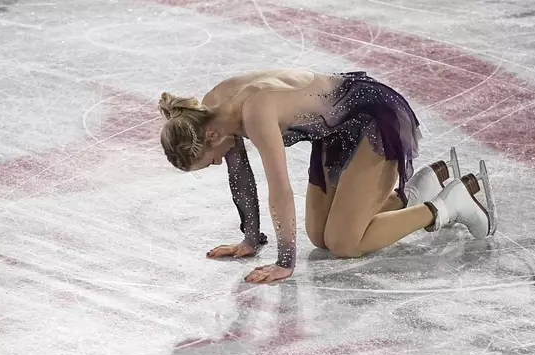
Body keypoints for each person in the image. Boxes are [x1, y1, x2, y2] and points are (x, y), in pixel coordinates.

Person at [158, 69, 497, 284]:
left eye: (209, 161)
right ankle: (412, 195)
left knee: (345, 243)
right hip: (337, 134)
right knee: (320, 236)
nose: (218, 164)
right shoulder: (210, 114)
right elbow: (242, 178)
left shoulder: (254, 111)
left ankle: (450, 204)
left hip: (375, 119)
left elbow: (280, 190)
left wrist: (285, 262)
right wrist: (250, 238)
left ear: (212, 137)